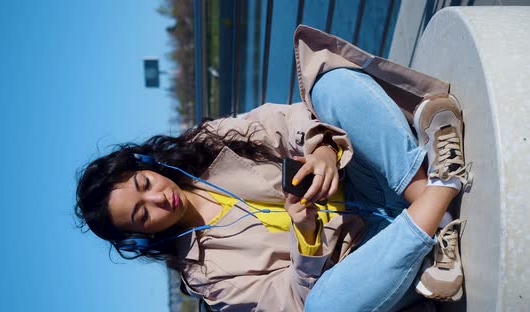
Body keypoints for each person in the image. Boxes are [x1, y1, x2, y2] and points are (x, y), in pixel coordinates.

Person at [74, 26, 472, 311]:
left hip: (376, 178)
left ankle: (428, 202)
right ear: (143, 237)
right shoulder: (206, 277)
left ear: (145, 164)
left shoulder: (206, 144)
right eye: (143, 214)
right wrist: (307, 238)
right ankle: (442, 188)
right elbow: (292, 302)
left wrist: (320, 149)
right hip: (369, 258)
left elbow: (284, 122)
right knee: (322, 309)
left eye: (144, 183)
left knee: (327, 86)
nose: (159, 198)